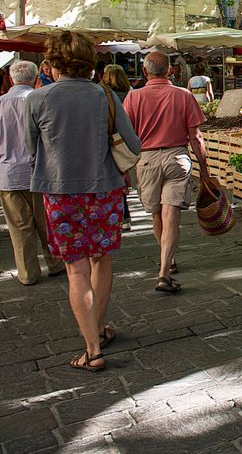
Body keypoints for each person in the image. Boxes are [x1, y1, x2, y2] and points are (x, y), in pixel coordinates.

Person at [25, 31, 141, 371]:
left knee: (76, 268)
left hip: (60, 193)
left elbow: (28, 150)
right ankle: (100, 330)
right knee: (101, 259)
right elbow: (132, 144)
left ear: (53, 62)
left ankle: (92, 348)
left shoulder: (37, 99)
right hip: (104, 189)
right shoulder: (105, 95)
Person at [123, 52, 210, 294]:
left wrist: (125, 167)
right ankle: (164, 270)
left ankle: (168, 262)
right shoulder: (183, 95)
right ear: (170, 70)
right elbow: (196, 136)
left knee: (156, 215)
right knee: (172, 215)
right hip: (177, 157)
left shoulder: (133, 97)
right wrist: (204, 168)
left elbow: (126, 136)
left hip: (147, 159)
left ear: (145, 71)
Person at [0, 60, 66, 285]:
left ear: (11, 78)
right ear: (36, 77)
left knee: (19, 227)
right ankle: (56, 263)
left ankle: (28, 273)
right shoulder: (41, 101)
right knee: (46, 221)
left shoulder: (0, 104)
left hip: (8, 174)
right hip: (40, 171)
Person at [102, 64, 137, 231]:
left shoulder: (105, 95)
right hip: (126, 142)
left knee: (117, 179)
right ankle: (125, 217)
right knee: (123, 176)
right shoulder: (131, 93)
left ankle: (121, 216)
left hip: (113, 141)